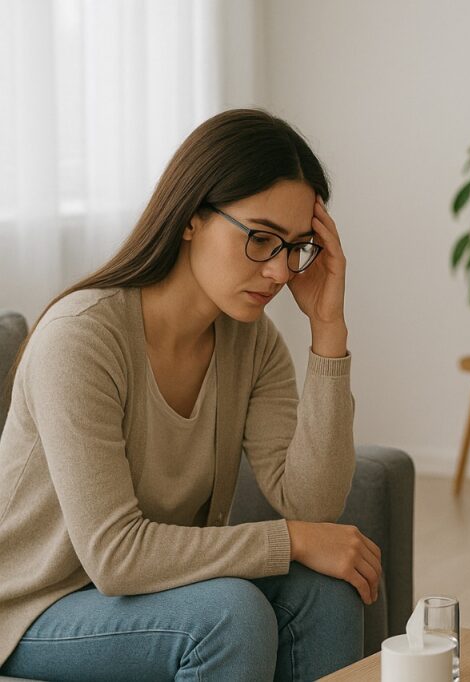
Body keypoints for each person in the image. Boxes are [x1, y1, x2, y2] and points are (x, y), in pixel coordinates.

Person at [0, 109, 381, 681]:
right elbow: (114, 556)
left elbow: (313, 504)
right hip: (30, 606)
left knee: (328, 589)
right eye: (260, 239)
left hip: (147, 595)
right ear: (190, 220)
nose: (281, 272)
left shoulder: (252, 342)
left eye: (296, 247)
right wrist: (289, 540)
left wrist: (328, 331)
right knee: (230, 614)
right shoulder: (80, 339)